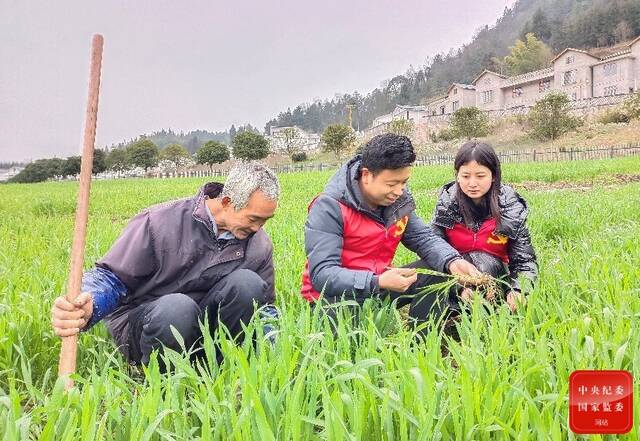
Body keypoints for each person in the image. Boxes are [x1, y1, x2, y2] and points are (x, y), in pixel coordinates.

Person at [51, 161, 280, 368]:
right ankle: (163, 382)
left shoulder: (258, 244)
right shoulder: (158, 222)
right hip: (150, 323)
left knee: (247, 284)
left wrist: (274, 353)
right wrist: (88, 303)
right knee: (177, 308)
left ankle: (217, 369)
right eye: (254, 219)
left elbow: (264, 308)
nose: (258, 228)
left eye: (265, 221)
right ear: (228, 202)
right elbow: (112, 278)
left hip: (203, 325)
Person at [300, 133, 481, 328]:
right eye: (392, 184)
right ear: (367, 175)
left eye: (404, 182)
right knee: (352, 342)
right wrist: (376, 282)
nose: (399, 191)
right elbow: (322, 275)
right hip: (334, 299)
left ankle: (420, 342)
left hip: (381, 285)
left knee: (436, 269)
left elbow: (424, 238)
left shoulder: (397, 201)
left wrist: (452, 261)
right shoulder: (329, 207)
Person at [430, 141, 538, 312]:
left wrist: (519, 289)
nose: (472, 183)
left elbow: (524, 260)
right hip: (454, 277)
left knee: (480, 259)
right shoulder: (446, 206)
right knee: (423, 271)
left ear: (493, 175)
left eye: (480, 176)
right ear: (457, 175)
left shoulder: (510, 209)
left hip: (493, 279)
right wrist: (459, 286)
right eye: (465, 176)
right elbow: (433, 250)